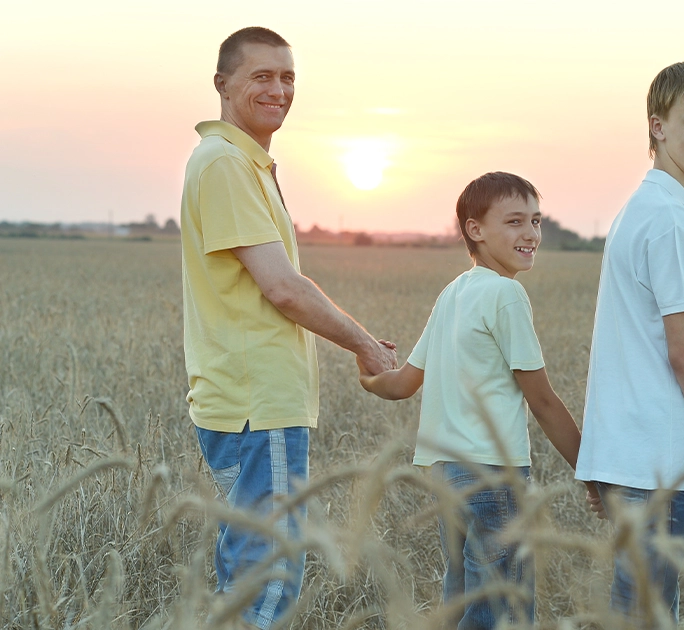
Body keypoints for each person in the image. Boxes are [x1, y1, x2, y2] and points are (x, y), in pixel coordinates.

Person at [180, 26, 397, 629]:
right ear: (222, 84)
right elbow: (282, 287)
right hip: (258, 403)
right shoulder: (225, 162)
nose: (279, 90)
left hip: (245, 402)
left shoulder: (242, 162)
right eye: (262, 76)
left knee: (246, 574)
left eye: (288, 77)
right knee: (268, 580)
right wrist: (365, 345)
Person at [358, 172, 597, 629]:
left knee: (463, 599)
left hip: (447, 475)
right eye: (514, 221)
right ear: (475, 229)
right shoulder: (506, 294)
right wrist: (589, 470)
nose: (531, 233)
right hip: (493, 475)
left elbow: (402, 383)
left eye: (536, 220)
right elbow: (543, 401)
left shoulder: (453, 293)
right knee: (500, 608)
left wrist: (368, 378)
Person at [574, 61, 684, 625]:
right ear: (657, 126)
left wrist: (600, 458)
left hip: (628, 453)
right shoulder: (670, 217)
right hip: (653, 457)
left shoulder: (641, 206)